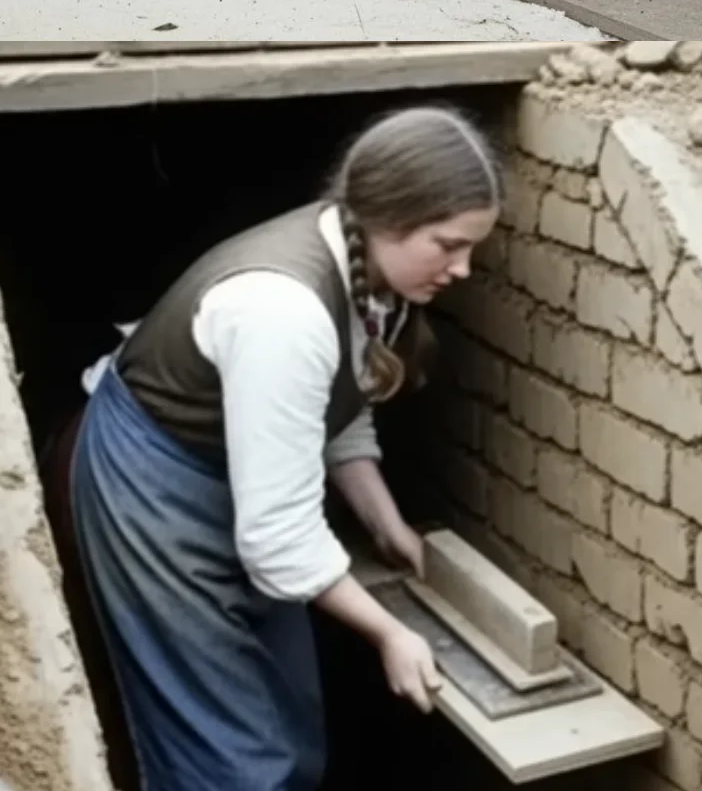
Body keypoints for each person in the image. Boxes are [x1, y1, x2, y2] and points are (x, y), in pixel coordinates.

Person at [66, 106, 501, 791]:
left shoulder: (374, 277)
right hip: (156, 479)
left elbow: (336, 410)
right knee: (229, 757)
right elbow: (277, 538)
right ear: (388, 215)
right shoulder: (283, 311)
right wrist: (389, 632)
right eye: (448, 244)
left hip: (242, 472)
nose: (464, 268)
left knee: (289, 723)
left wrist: (390, 530)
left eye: (472, 246)